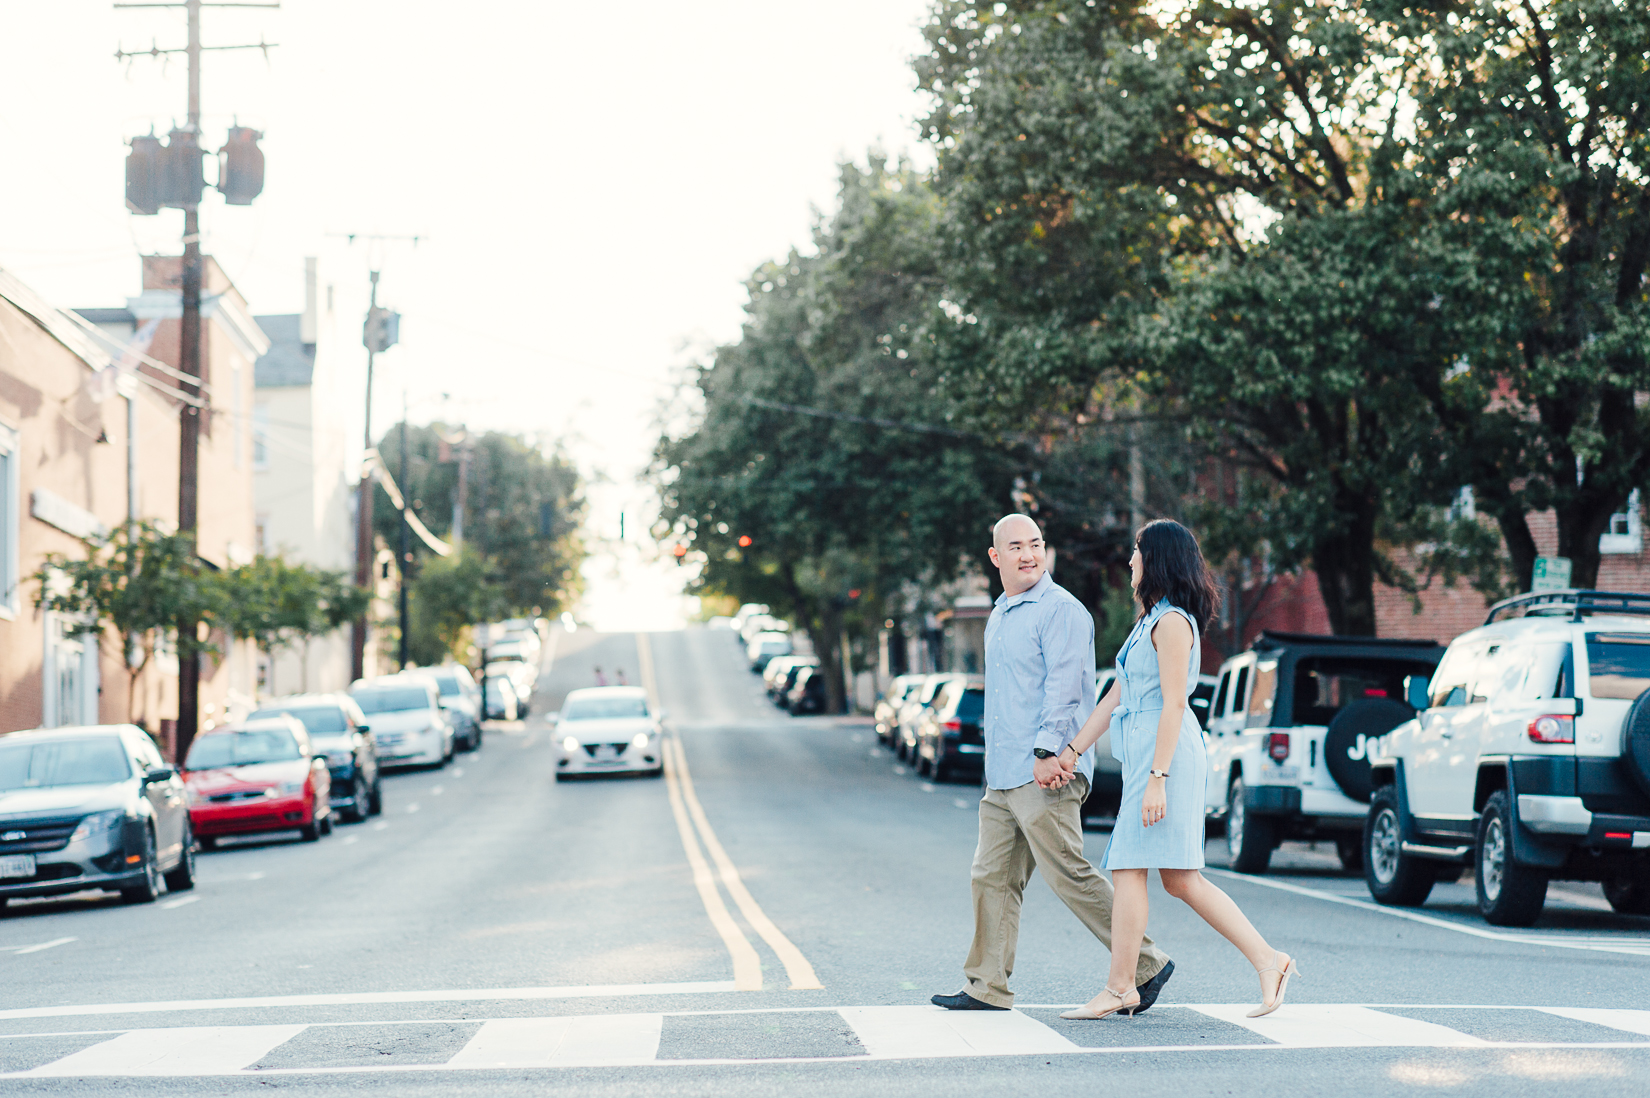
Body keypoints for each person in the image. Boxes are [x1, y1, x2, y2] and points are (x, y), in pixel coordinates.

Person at [1056, 519, 1300, 1021]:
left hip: (1165, 755)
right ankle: (1267, 960)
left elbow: (1173, 704)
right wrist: (1073, 751)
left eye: (1138, 551)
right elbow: (1117, 696)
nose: (1130, 560)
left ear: (1158, 559)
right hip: (1148, 751)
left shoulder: (1172, 623)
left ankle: (1122, 986)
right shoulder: (1149, 620)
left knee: (1134, 868)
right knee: (1179, 879)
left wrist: (1156, 780)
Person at [932, 514, 1175, 1013]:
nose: (1028, 554)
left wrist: (1048, 752)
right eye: (1016, 546)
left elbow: (1066, 689)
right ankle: (986, 986)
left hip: (1046, 770)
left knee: (1068, 873)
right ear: (996, 557)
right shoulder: (1000, 613)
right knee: (991, 877)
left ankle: (1146, 963)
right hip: (1002, 774)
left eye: (1036, 544)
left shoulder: (1061, 610)